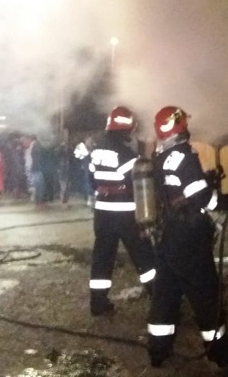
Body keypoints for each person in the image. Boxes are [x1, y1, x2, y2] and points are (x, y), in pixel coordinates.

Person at [147, 106, 228, 371]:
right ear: (179, 126)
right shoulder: (184, 155)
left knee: (165, 294)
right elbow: (202, 198)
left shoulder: (159, 156)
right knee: (206, 293)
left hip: (167, 235)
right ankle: (219, 351)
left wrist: (203, 181)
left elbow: (175, 191)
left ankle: (158, 350)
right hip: (188, 237)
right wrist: (227, 201)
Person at [88, 106, 156, 316]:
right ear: (126, 130)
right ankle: (159, 299)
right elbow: (140, 184)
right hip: (126, 215)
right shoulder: (127, 156)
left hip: (102, 214)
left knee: (102, 258)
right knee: (144, 256)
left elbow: (92, 180)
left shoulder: (97, 151)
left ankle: (98, 303)